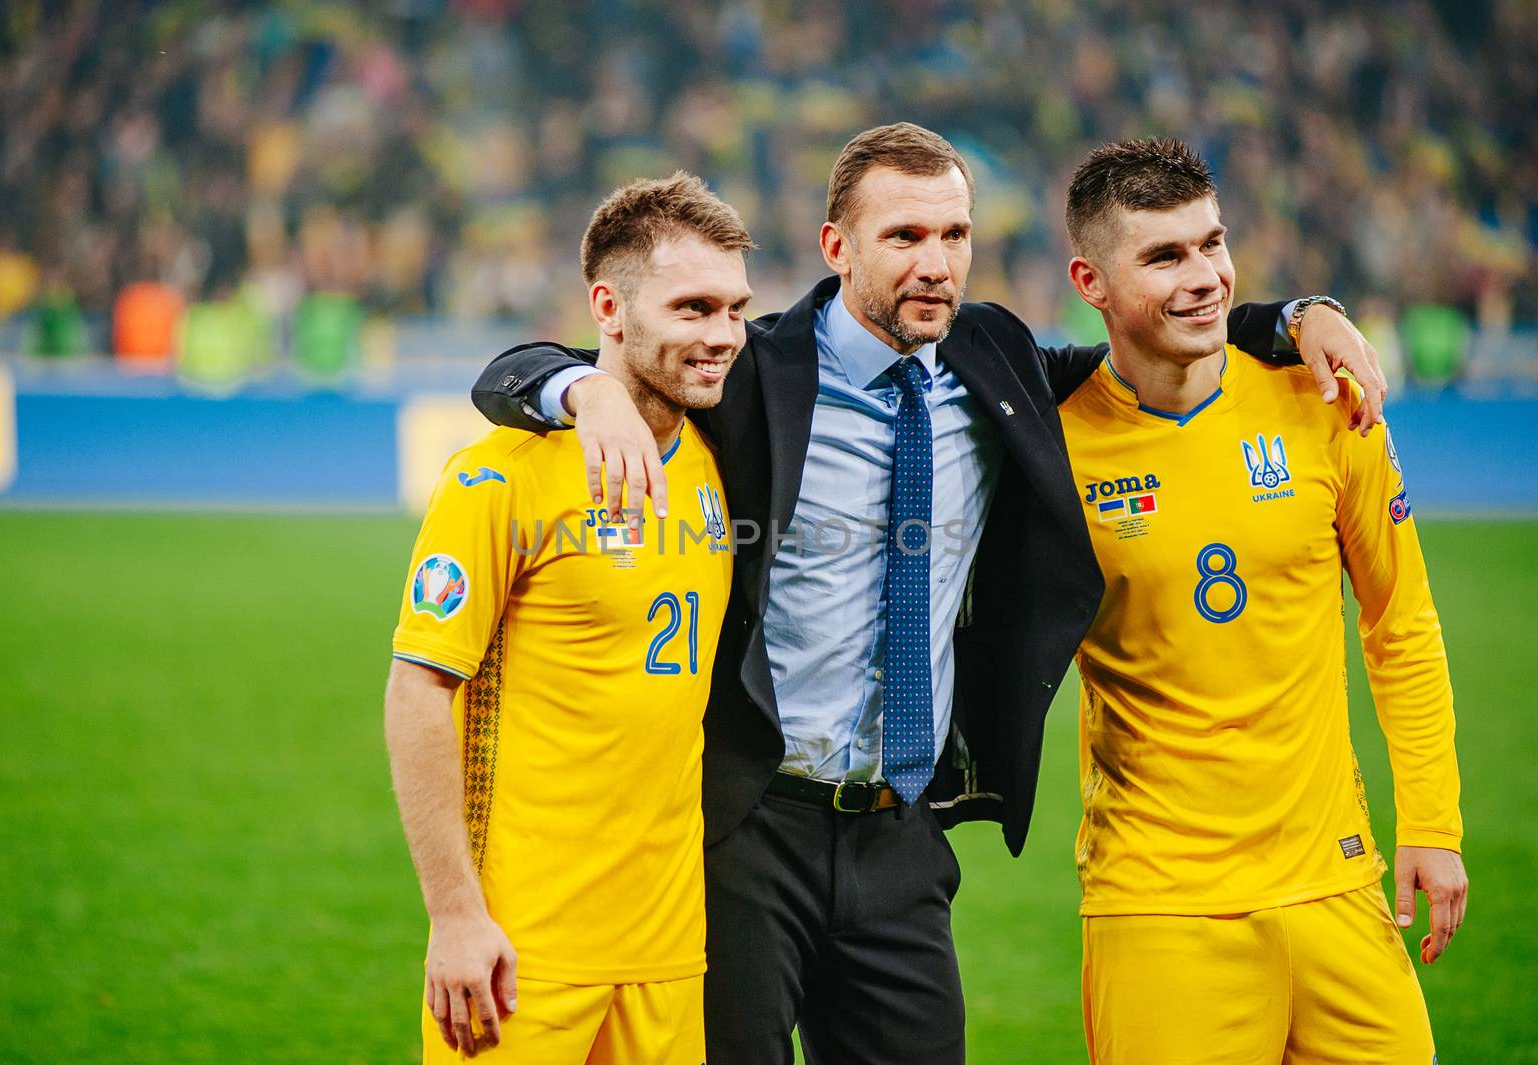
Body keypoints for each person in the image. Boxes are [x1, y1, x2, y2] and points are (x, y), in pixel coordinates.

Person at [470, 123, 1384, 1065]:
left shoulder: (998, 360)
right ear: (838, 247)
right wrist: (584, 388)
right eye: (905, 237)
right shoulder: (754, 370)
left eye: (955, 235)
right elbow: (510, 371)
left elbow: (1146, 334)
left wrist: (1295, 315)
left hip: (901, 835)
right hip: (750, 832)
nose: (937, 263)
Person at [1058, 138, 1466, 1064]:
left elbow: (1400, 625)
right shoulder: (1049, 440)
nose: (1204, 277)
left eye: (1213, 243)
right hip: (1159, 904)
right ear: (1092, 279)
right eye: (1164, 256)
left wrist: (1433, 825)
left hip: (1336, 886)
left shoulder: (1326, 401)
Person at [383, 172, 752, 1064]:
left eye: (737, 308)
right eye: (694, 307)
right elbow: (418, 690)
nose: (723, 336)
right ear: (608, 307)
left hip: (668, 953)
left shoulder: (722, 453)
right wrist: (456, 916)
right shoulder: (501, 475)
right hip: (522, 952)